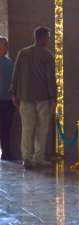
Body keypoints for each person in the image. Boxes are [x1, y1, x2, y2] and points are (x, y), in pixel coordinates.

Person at [10, 27, 56, 168]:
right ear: (44, 38)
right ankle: (38, 157)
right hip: (43, 97)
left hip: (25, 96)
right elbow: (50, 79)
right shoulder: (48, 55)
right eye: (48, 37)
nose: (49, 39)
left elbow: (16, 74)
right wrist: (54, 99)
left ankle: (26, 157)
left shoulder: (23, 53)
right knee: (42, 128)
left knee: (27, 127)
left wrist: (14, 93)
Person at [0, 37, 15, 161]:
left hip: (8, 99)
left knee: (6, 127)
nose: (7, 47)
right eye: (5, 45)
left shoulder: (9, 61)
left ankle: (6, 152)